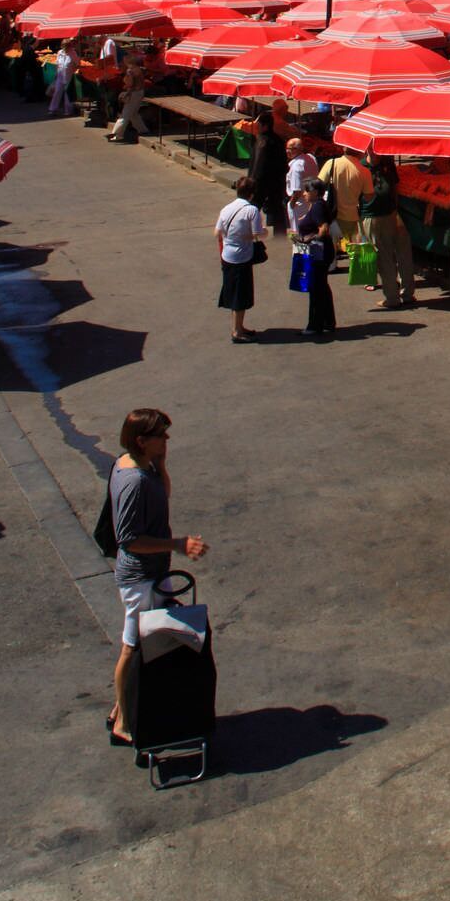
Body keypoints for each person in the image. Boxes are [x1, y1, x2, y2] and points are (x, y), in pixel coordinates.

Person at [107, 407, 207, 745]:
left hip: (153, 573)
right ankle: (122, 719)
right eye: (160, 436)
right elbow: (130, 539)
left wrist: (161, 465)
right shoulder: (132, 481)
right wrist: (176, 544)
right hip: (140, 579)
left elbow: (163, 494)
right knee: (132, 647)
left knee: (143, 644)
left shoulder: (140, 465)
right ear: (141, 440)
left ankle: (123, 705)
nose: (166, 440)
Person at [215, 174, 264, 343]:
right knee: (241, 297)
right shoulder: (252, 210)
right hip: (242, 257)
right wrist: (262, 233)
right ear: (252, 194)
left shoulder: (226, 209)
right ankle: (237, 331)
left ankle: (239, 326)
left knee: (234, 293)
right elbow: (257, 234)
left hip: (227, 255)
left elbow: (217, 233)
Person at [363, 152, 414, 311]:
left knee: (402, 252)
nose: (374, 150)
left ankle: (403, 294)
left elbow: (395, 188)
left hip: (390, 213)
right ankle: (394, 296)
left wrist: (395, 208)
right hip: (374, 216)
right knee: (385, 257)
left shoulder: (387, 163)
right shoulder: (361, 166)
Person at [292, 175, 339, 342]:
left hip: (319, 253)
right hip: (322, 252)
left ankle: (315, 324)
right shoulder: (317, 205)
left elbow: (323, 229)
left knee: (316, 289)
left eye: (307, 190)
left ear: (316, 192)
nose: (304, 193)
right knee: (322, 287)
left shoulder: (318, 206)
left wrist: (308, 238)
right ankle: (327, 321)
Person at [318, 144, 365, 255]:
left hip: (333, 214)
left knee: (331, 246)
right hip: (353, 216)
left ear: (344, 149)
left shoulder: (331, 163)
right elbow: (368, 195)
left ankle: (332, 266)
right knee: (355, 249)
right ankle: (356, 268)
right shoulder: (363, 170)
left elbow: (318, 185)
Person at [107, 59, 148, 143]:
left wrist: (126, 91)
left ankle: (116, 134)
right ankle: (143, 130)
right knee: (133, 114)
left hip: (133, 93)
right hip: (140, 92)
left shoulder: (130, 71)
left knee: (125, 114)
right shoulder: (138, 69)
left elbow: (130, 84)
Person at [47, 40, 78, 118]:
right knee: (57, 92)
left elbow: (77, 63)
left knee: (67, 93)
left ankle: (68, 110)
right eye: (63, 46)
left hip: (69, 75)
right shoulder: (60, 53)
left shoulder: (73, 53)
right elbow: (57, 64)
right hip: (60, 75)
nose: (65, 49)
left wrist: (74, 69)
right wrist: (56, 75)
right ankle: (53, 109)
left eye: (66, 47)